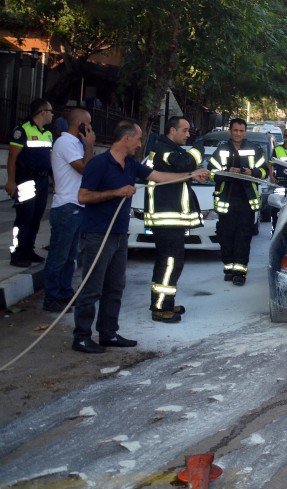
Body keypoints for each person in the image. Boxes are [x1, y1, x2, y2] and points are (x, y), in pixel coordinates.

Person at [71, 120, 208, 354]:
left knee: (115, 287)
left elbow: (159, 176)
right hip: (98, 234)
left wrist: (192, 174)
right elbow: (83, 196)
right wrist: (116, 192)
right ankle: (82, 337)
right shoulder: (99, 164)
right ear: (126, 139)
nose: (140, 143)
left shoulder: (131, 165)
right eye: (138, 139)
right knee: (93, 288)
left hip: (119, 234)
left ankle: (108, 333)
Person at [144, 116, 204, 323]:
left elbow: (183, 171)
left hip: (170, 219)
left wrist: (194, 173)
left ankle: (165, 303)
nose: (188, 135)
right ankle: (160, 308)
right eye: (185, 130)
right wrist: (199, 149)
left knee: (169, 262)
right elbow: (184, 163)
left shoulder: (169, 148)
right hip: (166, 218)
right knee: (169, 263)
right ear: (172, 130)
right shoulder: (163, 149)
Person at [41, 108, 95, 312]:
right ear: (79, 124)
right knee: (59, 255)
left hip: (77, 205)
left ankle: (64, 292)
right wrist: (89, 146)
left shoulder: (75, 143)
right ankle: (51, 297)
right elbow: (84, 169)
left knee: (71, 256)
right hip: (66, 206)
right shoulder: (65, 142)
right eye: (88, 123)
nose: (90, 127)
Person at [208, 118, 267, 286]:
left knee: (243, 237)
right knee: (226, 237)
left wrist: (252, 172)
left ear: (245, 132)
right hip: (226, 201)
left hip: (246, 202)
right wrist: (226, 172)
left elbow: (264, 172)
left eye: (241, 131)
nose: (238, 134)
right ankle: (229, 268)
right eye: (235, 130)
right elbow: (212, 173)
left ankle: (240, 273)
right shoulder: (221, 150)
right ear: (230, 131)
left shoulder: (254, 149)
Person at [6, 99, 55, 267]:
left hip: (42, 181)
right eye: (50, 111)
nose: (52, 114)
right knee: (24, 218)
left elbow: (49, 159)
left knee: (36, 217)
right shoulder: (22, 130)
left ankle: (28, 250)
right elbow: (12, 158)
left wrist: (53, 179)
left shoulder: (48, 133)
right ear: (42, 112)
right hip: (26, 179)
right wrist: (11, 181)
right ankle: (17, 253)